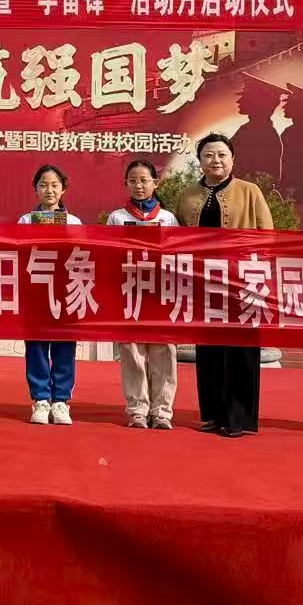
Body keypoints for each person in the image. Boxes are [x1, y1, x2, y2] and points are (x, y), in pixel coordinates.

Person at [177, 133, 274, 439]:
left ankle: (238, 417)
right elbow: (177, 238)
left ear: (232, 159)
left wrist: (260, 272)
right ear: (199, 160)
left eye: (221, 154)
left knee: (242, 349)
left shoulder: (249, 191)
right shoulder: (187, 194)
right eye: (208, 155)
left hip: (242, 281)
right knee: (209, 348)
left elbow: (268, 235)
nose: (215, 160)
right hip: (204, 282)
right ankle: (213, 413)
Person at [107, 160, 180, 430]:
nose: (139, 186)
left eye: (144, 180)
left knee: (164, 351)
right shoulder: (116, 218)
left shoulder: (168, 218)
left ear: (155, 183)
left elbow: (178, 254)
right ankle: (137, 409)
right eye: (133, 181)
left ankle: (162, 411)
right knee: (132, 352)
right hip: (130, 291)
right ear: (125, 184)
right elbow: (108, 254)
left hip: (161, 292)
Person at [17, 164, 83, 426]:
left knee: (64, 345)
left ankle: (61, 401)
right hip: (36, 290)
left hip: (65, 291)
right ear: (35, 189)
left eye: (55, 185)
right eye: (43, 185)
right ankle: (41, 399)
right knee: (36, 346)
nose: (49, 190)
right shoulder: (25, 221)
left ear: (63, 189)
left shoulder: (74, 222)